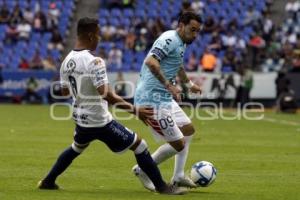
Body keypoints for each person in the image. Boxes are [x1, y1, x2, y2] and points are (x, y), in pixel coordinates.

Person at [37, 17, 185, 195]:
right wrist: (135, 110)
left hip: (80, 117)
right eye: (99, 35)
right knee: (140, 145)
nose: (100, 39)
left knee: (77, 147)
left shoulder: (66, 61)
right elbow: (106, 94)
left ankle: (48, 181)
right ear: (91, 36)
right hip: (99, 121)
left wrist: (82, 87)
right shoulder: (95, 61)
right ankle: (162, 187)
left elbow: (64, 93)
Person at [133, 12, 202, 190]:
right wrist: (169, 85)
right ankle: (142, 169)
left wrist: (188, 83)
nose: (194, 35)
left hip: (163, 98)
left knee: (188, 129)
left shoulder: (181, 42)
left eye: (197, 32)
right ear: (181, 25)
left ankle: (178, 175)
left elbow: (176, 63)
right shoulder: (169, 39)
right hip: (151, 100)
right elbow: (151, 62)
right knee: (178, 144)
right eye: (192, 30)